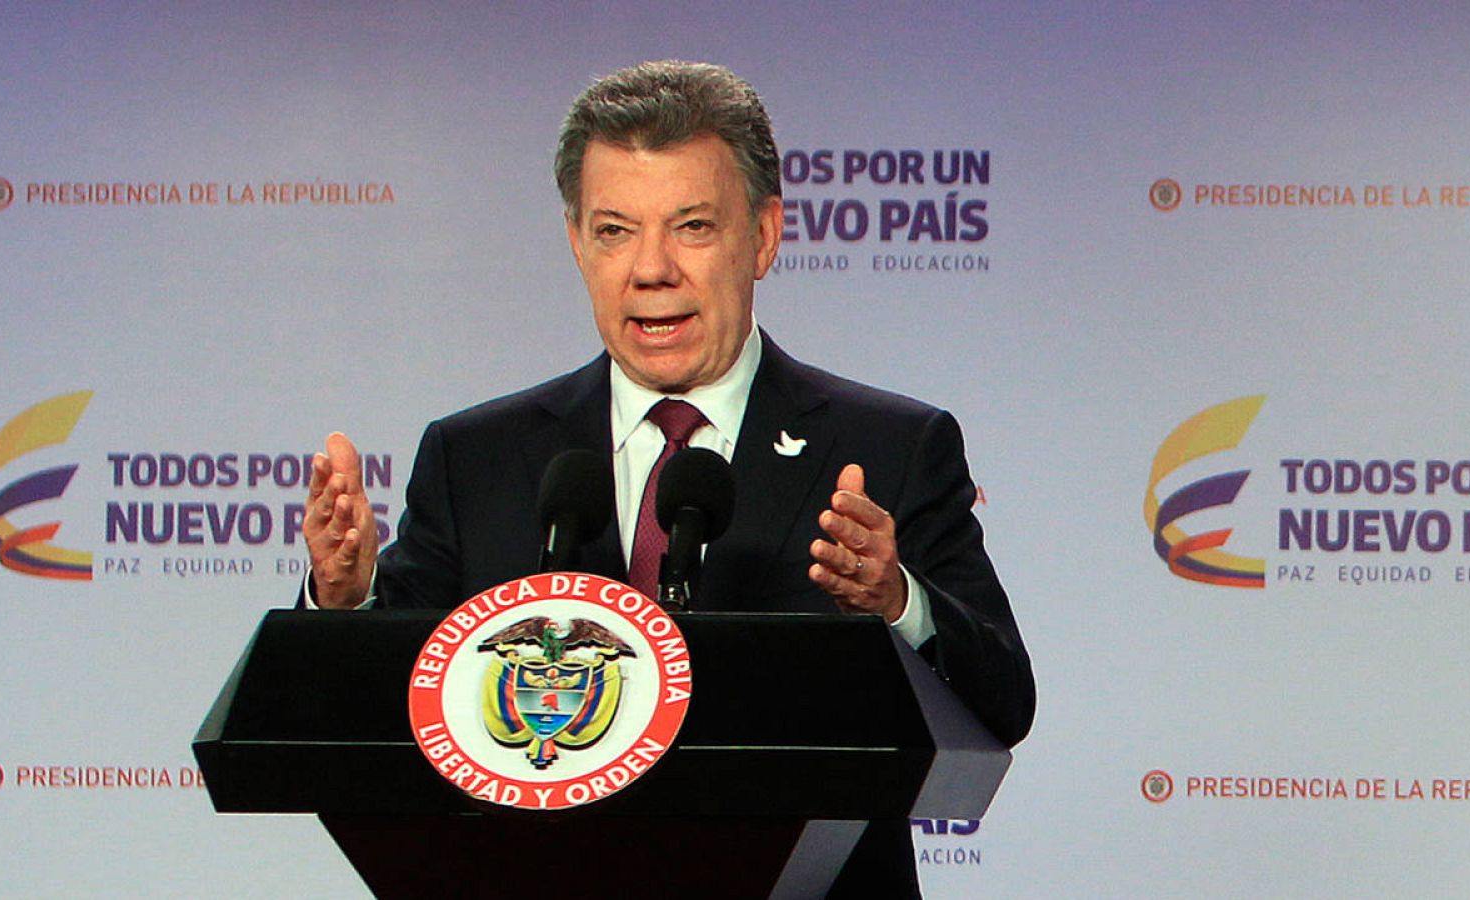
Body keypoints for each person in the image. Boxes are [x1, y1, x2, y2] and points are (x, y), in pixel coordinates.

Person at [300, 60, 1034, 898]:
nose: (651, 270)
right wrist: (344, 607)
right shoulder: (475, 459)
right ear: (576, 240)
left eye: (691, 226)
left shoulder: (889, 446)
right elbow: (377, 723)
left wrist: (898, 602)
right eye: (615, 230)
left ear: (762, 236)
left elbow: (1003, 704)